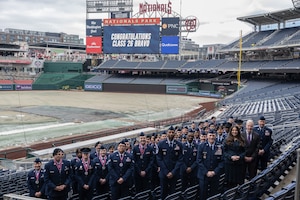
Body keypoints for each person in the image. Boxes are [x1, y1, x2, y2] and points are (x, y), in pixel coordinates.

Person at [156, 126, 183, 199]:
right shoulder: (161, 144)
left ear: (175, 133)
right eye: (169, 132)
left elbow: (180, 159)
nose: (171, 134)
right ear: (167, 133)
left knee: (173, 193)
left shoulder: (179, 144)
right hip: (164, 173)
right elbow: (159, 158)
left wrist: (173, 172)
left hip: (174, 173)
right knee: (163, 192)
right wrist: (166, 171)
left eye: (172, 132)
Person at [197, 130, 224, 199]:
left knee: (214, 194)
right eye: (210, 135)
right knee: (203, 194)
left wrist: (215, 172)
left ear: (215, 136)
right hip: (204, 175)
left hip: (215, 175)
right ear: (207, 136)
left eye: (213, 135)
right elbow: (199, 161)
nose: (211, 137)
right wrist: (206, 172)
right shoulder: (201, 146)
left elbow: (222, 161)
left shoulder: (219, 147)